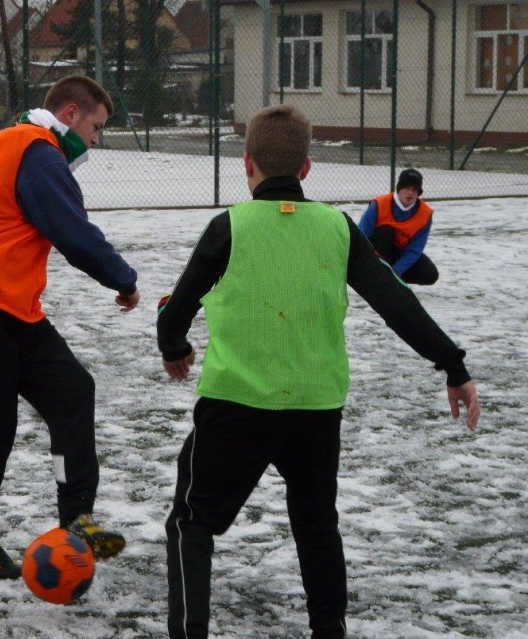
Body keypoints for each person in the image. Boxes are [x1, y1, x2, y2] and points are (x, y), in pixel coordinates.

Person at [156, 104, 479, 639]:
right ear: (306, 169)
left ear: (247, 164)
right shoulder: (337, 227)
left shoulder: (229, 226)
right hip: (315, 408)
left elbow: (180, 303)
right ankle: (329, 630)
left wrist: (174, 346)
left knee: (193, 523)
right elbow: (395, 303)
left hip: (236, 403)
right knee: (316, 525)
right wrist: (453, 364)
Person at [0, 75, 140, 580]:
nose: (98, 140)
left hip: (2, 301)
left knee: (72, 391)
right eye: (97, 128)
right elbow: (71, 230)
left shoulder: (13, 144)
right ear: (70, 114)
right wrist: (122, 279)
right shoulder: (37, 149)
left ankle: (76, 522)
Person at [358, 168, 438, 284]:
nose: (410, 193)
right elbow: (362, 236)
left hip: (400, 253)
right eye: (407, 188)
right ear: (399, 188)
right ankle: (374, 275)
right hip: (376, 251)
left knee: (430, 274)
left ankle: (390, 279)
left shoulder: (425, 214)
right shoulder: (379, 204)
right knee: (387, 231)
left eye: (414, 189)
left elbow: (414, 250)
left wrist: (396, 271)